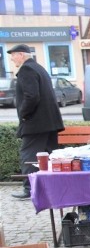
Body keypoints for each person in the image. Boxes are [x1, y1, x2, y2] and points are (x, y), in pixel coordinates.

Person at [7, 44, 64, 200]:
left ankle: (30, 189)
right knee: (48, 156)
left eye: (13, 55)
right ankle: (51, 188)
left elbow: (31, 96)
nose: (12, 59)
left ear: (21, 55)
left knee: (30, 156)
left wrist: (24, 114)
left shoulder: (27, 70)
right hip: (49, 122)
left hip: (35, 123)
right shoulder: (39, 68)